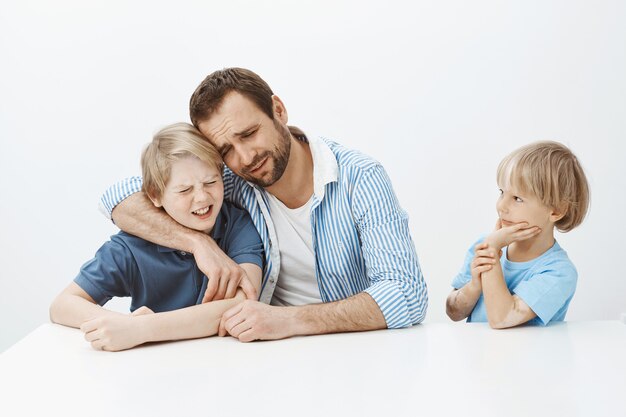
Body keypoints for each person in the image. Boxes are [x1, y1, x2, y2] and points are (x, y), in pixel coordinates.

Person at [99, 67, 428, 342]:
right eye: (225, 149)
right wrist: (196, 242)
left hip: (353, 350)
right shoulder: (232, 179)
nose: (244, 158)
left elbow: (406, 294)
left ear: (279, 111)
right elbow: (118, 197)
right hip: (263, 355)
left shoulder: (359, 177)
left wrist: (289, 321)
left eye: (249, 133)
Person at [49, 123, 264, 351]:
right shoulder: (130, 247)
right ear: (155, 196)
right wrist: (119, 325)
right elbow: (62, 305)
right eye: (184, 190)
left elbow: (244, 304)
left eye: (211, 182)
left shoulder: (238, 225)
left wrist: (143, 329)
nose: (202, 198)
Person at [446, 141, 590, 328]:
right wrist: (474, 286)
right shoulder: (485, 244)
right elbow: (453, 312)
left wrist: (492, 251)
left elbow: (502, 318)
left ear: (556, 210)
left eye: (517, 199)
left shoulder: (559, 272)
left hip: (527, 357)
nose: (501, 206)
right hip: (479, 355)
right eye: (501, 193)